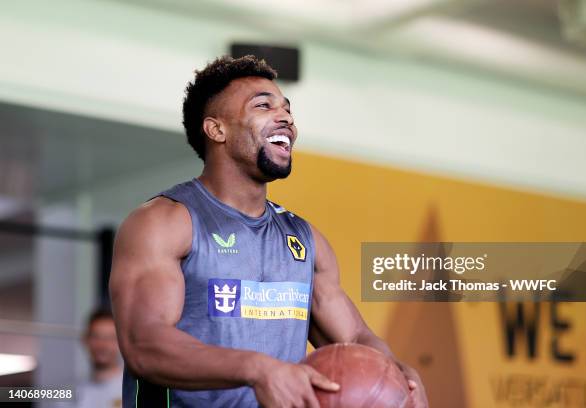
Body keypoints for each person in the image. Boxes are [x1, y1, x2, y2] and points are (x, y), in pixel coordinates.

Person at [110, 55, 428, 408]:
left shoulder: (305, 241)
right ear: (217, 130)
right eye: (264, 105)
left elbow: (353, 336)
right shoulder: (164, 222)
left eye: (287, 109)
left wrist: (397, 372)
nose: (287, 118)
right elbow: (144, 345)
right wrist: (258, 369)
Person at [75, 308, 123, 408]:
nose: (102, 345)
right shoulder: (72, 394)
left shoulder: (133, 392)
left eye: (110, 338)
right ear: (85, 340)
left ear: (121, 343)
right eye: (96, 337)